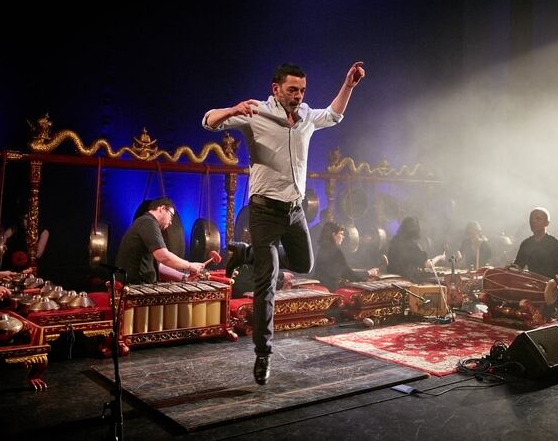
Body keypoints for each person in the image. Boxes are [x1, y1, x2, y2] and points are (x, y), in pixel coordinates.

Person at [203, 61, 365, 385]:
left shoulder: (306, 116)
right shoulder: (256, 112)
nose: (298, 95)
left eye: (302, 90)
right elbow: (208, 121)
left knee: (305, 264)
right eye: (292, 90)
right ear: (276, 89)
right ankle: (263, 353)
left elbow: (333, 115)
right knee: (267, 282)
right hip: (264, 211)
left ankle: (247, 253)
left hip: (294, 211)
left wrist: (348, 85)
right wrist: (232, 109)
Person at [114, 197, 209, 284]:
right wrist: (190, 265)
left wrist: (184, 277)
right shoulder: (148, 222)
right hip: (133, 287)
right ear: (162, 208)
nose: (171, 222)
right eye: (171, 216)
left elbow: (159, 266)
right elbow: (163, 256)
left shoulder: (145, 222)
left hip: (137, 285)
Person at [514, 207, 558, 317]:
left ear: (547, 223)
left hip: (552, 292)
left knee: (540, 315)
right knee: (512, 309)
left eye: (538, 219)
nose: (533, 221)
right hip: (531, 288)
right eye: (531, 219)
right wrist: (512, 269)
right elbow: (518, 266)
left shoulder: (555, 244)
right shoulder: (526, 243)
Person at [313, 222, 378, 292]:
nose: (343, 237)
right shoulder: (335, 251)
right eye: (341, 234)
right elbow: (349, 274)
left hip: (319, 287)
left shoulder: (322, 249)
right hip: (331, 290)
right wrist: (369, 273)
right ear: (333, 235)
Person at [386, 216, 445, 284]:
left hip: (393, 278)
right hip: (408, 280)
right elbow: (427, 264)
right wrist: (440, 257)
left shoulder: (394, 241)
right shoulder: (411, 246)